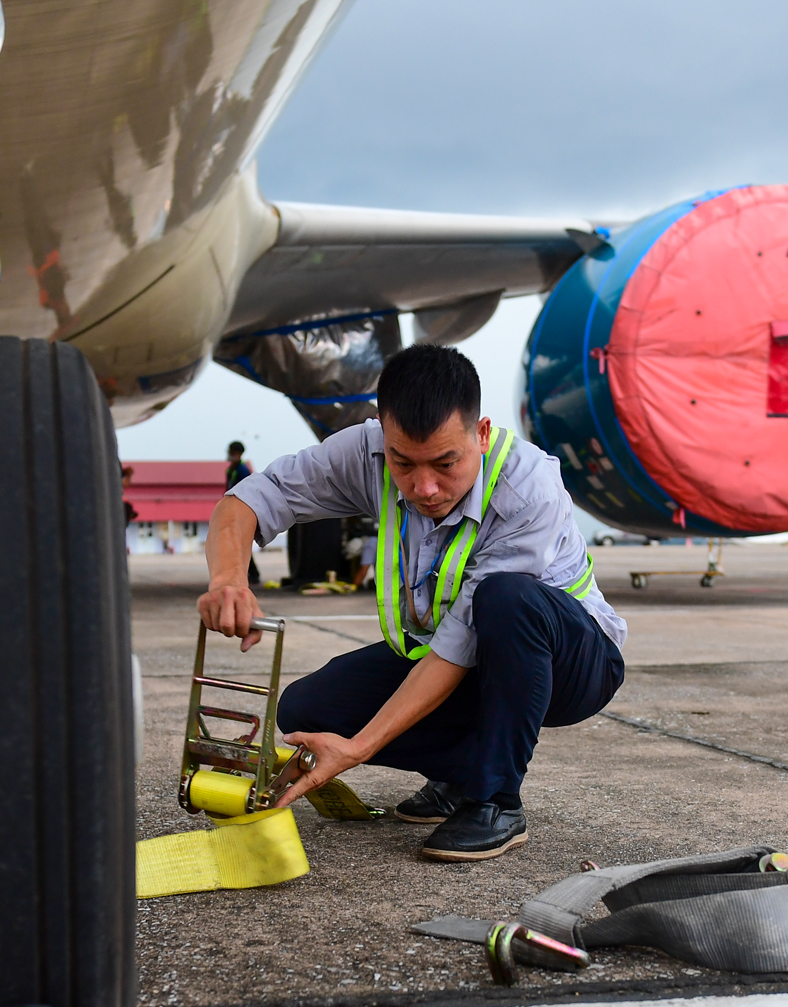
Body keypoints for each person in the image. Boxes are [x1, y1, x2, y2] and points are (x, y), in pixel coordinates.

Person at [198, 343, 627, 862]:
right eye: (404, 463)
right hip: (460, 656)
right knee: (307, 712)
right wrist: (229, 579)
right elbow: (250, 498)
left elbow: (460, 644)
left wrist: (359, 749)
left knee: (506, 598)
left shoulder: (527, 485)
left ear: (481, 433)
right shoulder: (366, 451)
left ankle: (495, 799)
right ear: (384, 435)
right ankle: (462, 773)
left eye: (446, 463)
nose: (425, 487)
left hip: (571, 665)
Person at [224, 441, 262, 587]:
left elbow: (246, 491)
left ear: (238, 453)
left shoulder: (243, 470)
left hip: (241, 511)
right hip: (232, 510)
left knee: (240, 544)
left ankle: (252, 574)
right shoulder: (230, 470)